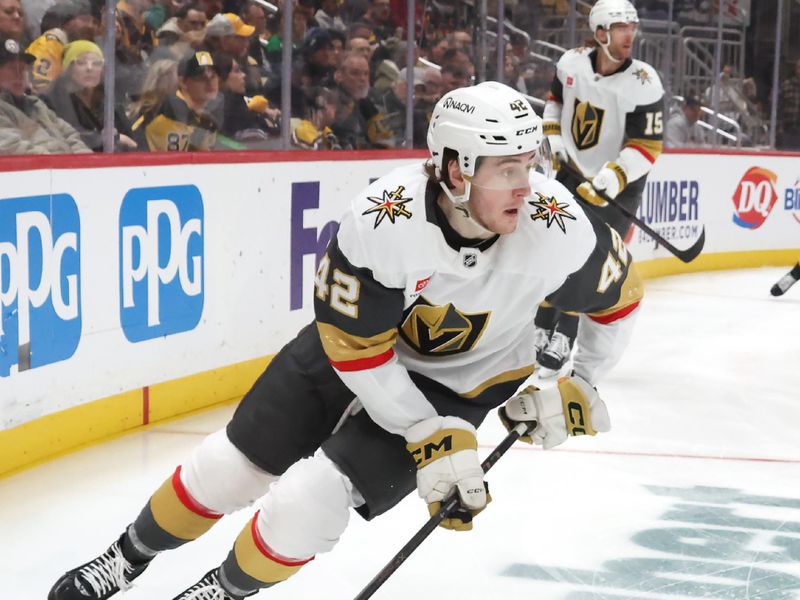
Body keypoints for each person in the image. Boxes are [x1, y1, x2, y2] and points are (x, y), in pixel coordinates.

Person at [48, 81, 642, 600]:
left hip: (459, 386)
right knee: (228, 470)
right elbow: (359, 350)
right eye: (506, 170)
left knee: (307, 507)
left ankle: (223, 592)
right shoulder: (384, 219)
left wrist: (582, 380)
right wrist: (425, 433)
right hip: (353, 355)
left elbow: (623, 295)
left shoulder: (558, 226)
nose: (526, 187)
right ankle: (126, 557)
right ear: (457, 171)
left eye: (529, 165)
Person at [534, 0, 663, 373]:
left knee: (589, 258)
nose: (630, 35)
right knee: (552, 247)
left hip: (619, 185)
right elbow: (554, 104)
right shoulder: (571, 63)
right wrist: (554, 139)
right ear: (601, 32)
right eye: (622, 28)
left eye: (632, 27)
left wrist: (612, 176)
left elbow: (647, 146)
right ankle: (541, 325)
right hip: (572, 172)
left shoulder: (644, 82)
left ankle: (565, 334)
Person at [0, 36, 91, 154]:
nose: (19, 74)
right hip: (45, 165)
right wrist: (60, 161)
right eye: (12, 68)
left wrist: (84, 160)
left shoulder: (37, 105)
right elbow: (13, 149)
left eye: (22, 69)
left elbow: (70, 135)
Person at [43, 40, 137, 151]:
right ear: (68, 68)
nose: (89, 68)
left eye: (96, 63)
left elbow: (132, 142)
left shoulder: (110, 100)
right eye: (81, 63)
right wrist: (110, 138)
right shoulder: (54, 101)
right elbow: (65, 137)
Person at [131, 50, 220, 151]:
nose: (210, 83)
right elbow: (175, 159)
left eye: (214, 76)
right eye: (201, 78)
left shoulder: (203, 118)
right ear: (182, 82)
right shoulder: (169, 111)